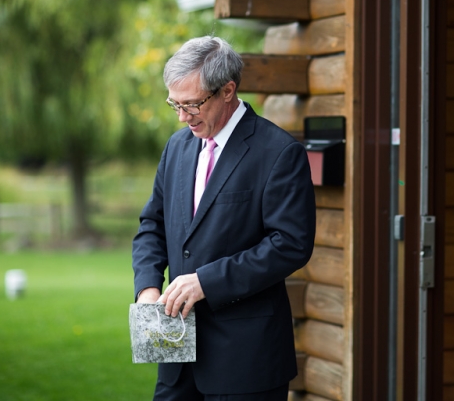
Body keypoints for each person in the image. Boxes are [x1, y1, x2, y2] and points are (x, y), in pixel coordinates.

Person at [132, 36, 316, 401]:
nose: (183, 117)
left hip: (246, 362)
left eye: (192, 105)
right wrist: (148, 287)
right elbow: (152, 225)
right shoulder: (176, 147)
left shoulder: (280, 152)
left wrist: (206, 283)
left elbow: (290, 245)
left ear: (228, 90)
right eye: (175, 105)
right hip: (174, 354)